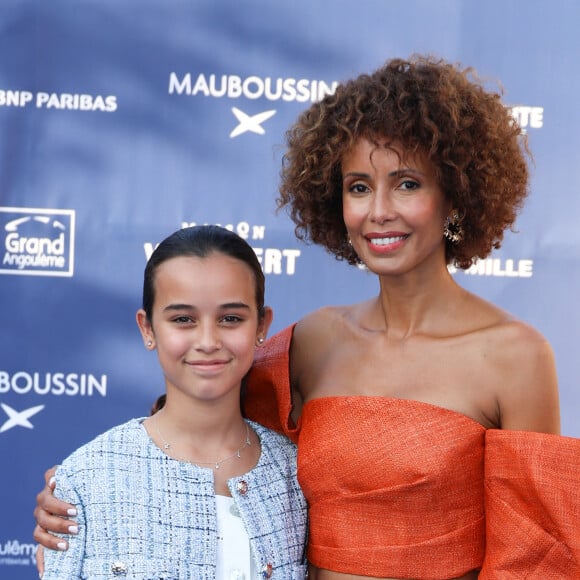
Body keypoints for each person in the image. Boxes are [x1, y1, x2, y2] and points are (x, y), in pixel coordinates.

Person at [34, 55, 580, 579]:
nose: (379, 210)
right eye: (359, 187)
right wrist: (90, 487)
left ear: (455, 198)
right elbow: (203, 422)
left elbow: (534, 558)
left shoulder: (516, 356)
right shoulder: (313, 343)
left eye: (407, 183)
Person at [37, 225, 308, 579]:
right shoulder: (86, 480)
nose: (208, 340)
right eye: (183, 319)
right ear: (147, 328)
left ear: (262, 325)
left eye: (231, 319)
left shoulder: (296, 477)